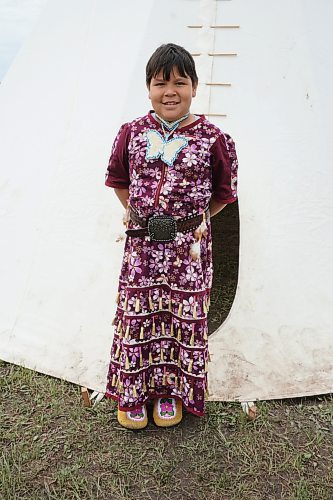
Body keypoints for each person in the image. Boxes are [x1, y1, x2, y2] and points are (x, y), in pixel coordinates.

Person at [104, 43, 238, 430]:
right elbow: (117, 179)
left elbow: (224, 192)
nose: (170, 91)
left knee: (180, 318)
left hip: (188, 252)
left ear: (195, 87)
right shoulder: (131, 133)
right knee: (139, 313)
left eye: (180, 82)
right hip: (142, 246)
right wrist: (138, 213)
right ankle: (133, 392)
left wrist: (193, 221)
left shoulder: (213, 138)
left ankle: (169, 393)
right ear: (148, 89)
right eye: (161, 83)